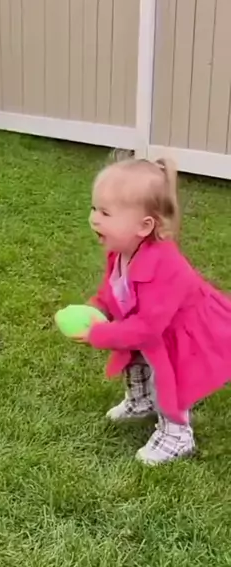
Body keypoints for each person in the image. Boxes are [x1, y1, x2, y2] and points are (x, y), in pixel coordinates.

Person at [77, 157, 231, 465]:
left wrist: (99, 334)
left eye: (105, 213)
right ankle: (141, 400)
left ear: (144, 226)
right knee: (135, 357)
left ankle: (177, 434)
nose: (94, 219)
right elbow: (112, 292)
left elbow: (147, 328)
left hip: (182, 332)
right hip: (152, 327)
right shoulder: (121, 253)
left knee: (170, 377)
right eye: (94, 208)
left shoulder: (166, 265)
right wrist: (96, 308)